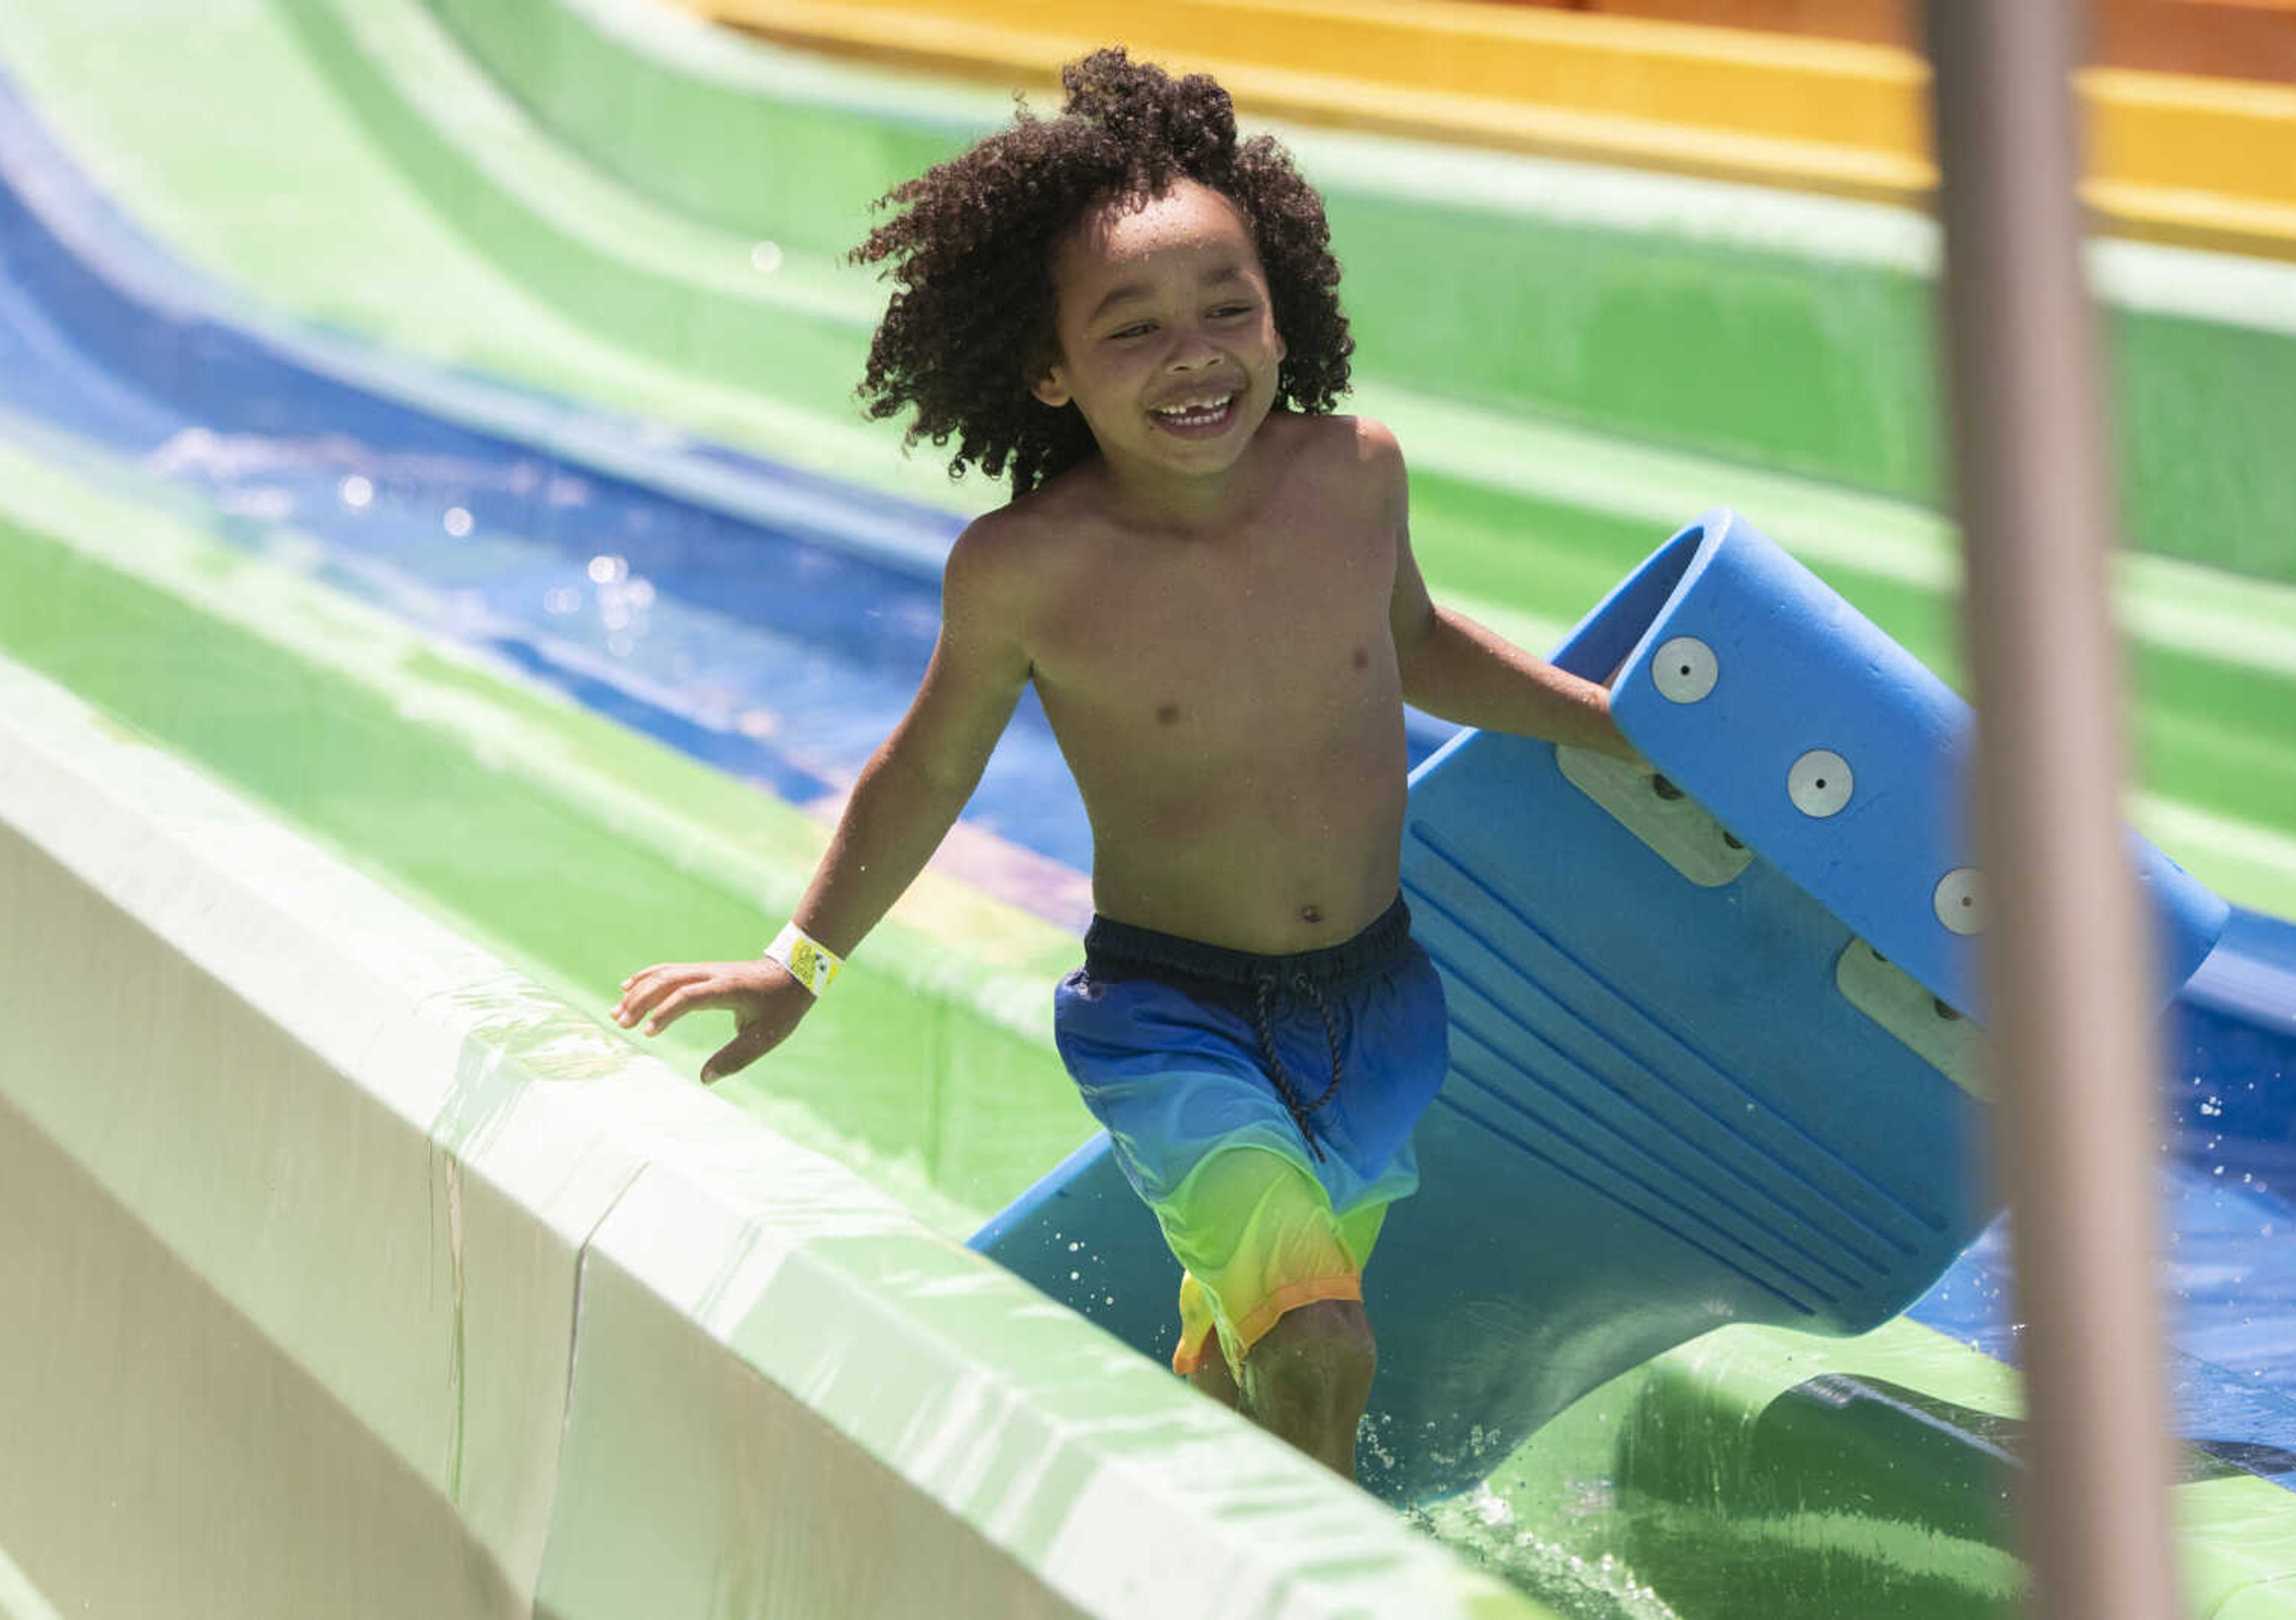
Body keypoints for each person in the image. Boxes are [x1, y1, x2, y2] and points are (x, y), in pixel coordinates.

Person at [611, 49, 1628, 1480]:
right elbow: (921, 777)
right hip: (1173, 1020)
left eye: (1229, 309)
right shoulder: (1031, 571)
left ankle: (1173, 1532)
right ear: (1047, 370)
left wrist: (1610, 720)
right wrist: (803, 962)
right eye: (1132, 329)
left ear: (1286, 320)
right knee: (1323, 1345)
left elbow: (1415, 644)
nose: (1195, 352)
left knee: (1256, 1354)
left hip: (1385, 1011)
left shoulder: (1355, 475)